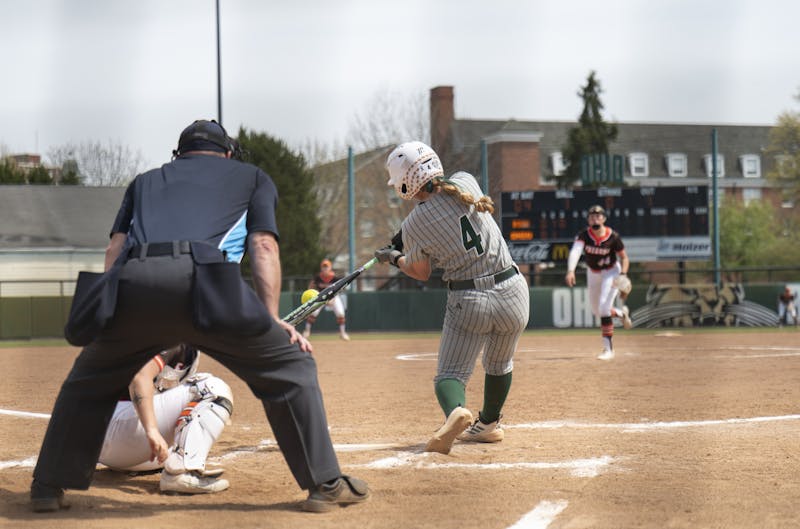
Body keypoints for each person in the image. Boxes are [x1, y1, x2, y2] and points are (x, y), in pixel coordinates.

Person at [31, 119, 369, 513]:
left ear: (180, 154)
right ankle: (324, 483)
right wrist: (271, 316)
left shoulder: (144, 181)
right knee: (291, 369)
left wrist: (109, 311)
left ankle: (47, 487)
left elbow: (115, 248)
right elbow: (263, 247)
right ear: (226, 153)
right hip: (209, 282)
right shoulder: (252, 177)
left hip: (136, 282)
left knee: (86, 380)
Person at [374, 141, 530, 455]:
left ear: (406, 183)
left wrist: (394, 256)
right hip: (514, 291)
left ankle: (456, 410)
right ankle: (488, 425)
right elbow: (447, 204)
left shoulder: (413, 224)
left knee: (450, 374)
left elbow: (419, 271)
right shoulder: (465, 181)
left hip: (470, 299)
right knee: (499, 364)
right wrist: (405, 236)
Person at [98, 343, 233, 494]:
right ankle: (180, 474)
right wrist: (152, 430)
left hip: (100, 445)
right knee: (210, 388)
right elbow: (139, 378)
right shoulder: (172, 336)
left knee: (179, 444)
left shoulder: (164, 330)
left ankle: (172, 463)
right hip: (115, 430)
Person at [564, 204, 632, 361]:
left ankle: (608, 349)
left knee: (603, 308)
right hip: (593, 273)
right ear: (588, 220)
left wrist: (623, 274)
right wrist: (571, 270)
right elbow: (575, 251)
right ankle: (621, 314)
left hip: (611, 272)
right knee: (597, 311)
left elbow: (625, 257)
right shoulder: (584, 235)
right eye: (592, 216)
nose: (595, 218)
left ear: (604, 218)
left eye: (598, 216)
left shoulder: (613, 236)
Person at [303, 259, 350, 341]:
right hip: (320, 297)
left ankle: (343, 333)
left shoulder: (334, 278)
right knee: (313, 313)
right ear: (321, 268)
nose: (325, 268)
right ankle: (307, 331)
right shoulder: (318, 277)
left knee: (340, 313)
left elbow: (339, 289)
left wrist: (333, 299)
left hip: (333, 297)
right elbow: (311, 285)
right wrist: (311, 293)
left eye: (327, 266)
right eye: (324, 267)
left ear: (330, 267)